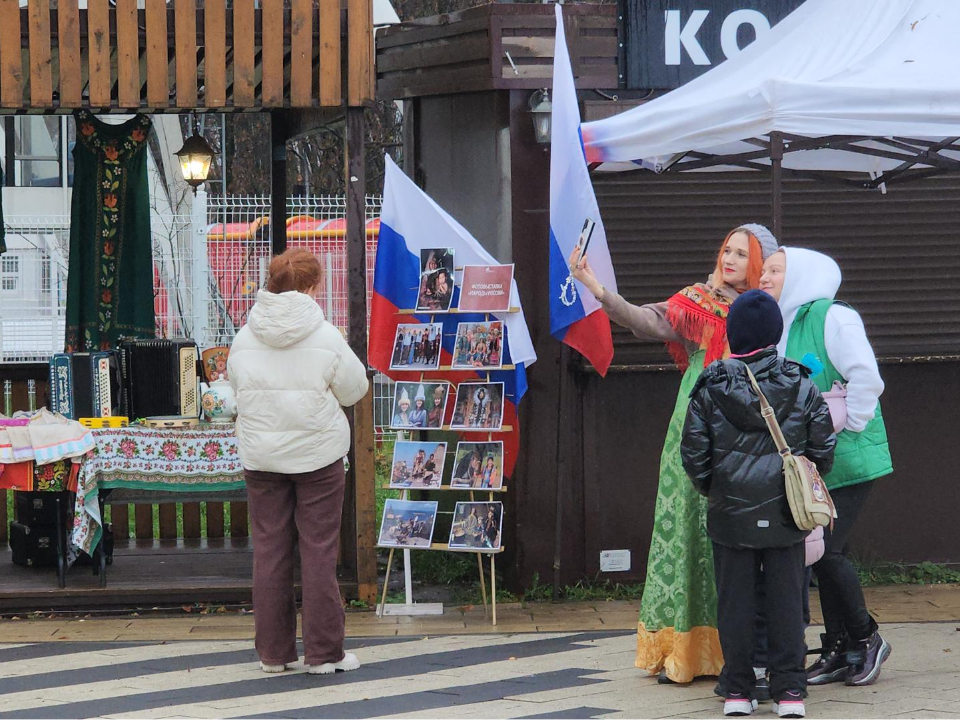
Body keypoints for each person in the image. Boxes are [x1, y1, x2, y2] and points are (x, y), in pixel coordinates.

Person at [571, 224, 780, 683]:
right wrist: (595, 286)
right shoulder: (698, 301)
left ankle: (742, 652)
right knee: (688, 531)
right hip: (699, 427)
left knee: (735, 541)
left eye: (742, 255)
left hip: (748, 436)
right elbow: (645, 320)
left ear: (760, 264)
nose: (730, 260)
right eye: (727, 249)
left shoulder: (772, 310)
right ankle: (683, 649)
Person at [682, 290, 836, 719]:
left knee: (735, 601)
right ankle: (789, 693)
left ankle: (737, 691)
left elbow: (693, 456)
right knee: (788, 601)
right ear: (776, 333)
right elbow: (823, 450)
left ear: (732, 334)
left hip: (730, 513)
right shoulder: (802, 382)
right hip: (788, 512)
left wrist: (718, 489)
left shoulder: (711, 385)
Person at [228, 247, 369, 676]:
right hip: (318, 457)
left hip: (262, 457)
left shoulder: (243, 336)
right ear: (311, 287)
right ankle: (324, 654)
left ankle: (273, 654)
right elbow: (354, 390)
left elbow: (236, 387)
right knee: (319, 552)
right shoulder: (325, 335)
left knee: (270, 552)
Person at [760, 248, 893, 687]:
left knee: (827, 551)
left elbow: (866, 377)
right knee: (820, 554)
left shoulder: (831, 316)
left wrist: (848, 427)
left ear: (801, 276)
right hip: (817, 461)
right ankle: (840, 647)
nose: (765, 278)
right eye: (765, 270)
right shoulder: (783, 321)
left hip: (850, 454)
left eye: (775, 270)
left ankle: (867, 637)